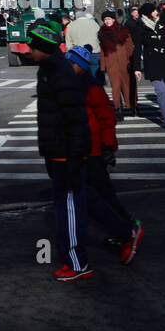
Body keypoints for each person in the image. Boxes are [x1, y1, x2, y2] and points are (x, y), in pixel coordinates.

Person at [26, 19, 93, 281]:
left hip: (67, 155)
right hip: (58, 153)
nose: (29, 51)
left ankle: (78, 263)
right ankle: (73, 259)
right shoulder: (47, 70)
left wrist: (75, 159)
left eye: (32, 47)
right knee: (64, 209)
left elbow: (75, 119)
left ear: (44, 48)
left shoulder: (58, 73)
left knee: (70, 210)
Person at [65, 46, 142, 263]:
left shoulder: (91, 88)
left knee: (103, 194)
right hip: (82, 150)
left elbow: (107, 119)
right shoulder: (72, 86)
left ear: (81, 67)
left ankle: (129, 228)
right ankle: (124, 229)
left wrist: (108, 147)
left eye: (73, 64)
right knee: (95, 195)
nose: (69, 67)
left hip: (95, 151)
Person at [138, 3, 165, 131]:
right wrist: (137, 68)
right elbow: (137, 50)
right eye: (154, 11)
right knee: (161, 91)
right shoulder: (141, 28)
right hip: (153, 64)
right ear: (148, 14)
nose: (156, 12)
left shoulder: (163, 24)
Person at [98, 11, 134, 120]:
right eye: (105, 19)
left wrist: (129, 60)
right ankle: (118, 108)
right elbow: (102, 51)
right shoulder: (102, 33)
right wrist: (103, 66)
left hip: (124, 62)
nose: (107, 21)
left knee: (126, 85)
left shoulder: (122, 30)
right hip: (111, 63)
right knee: (115, 87)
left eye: (109, 19)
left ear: (114, 19)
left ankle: (130, 106)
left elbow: (129, 47)